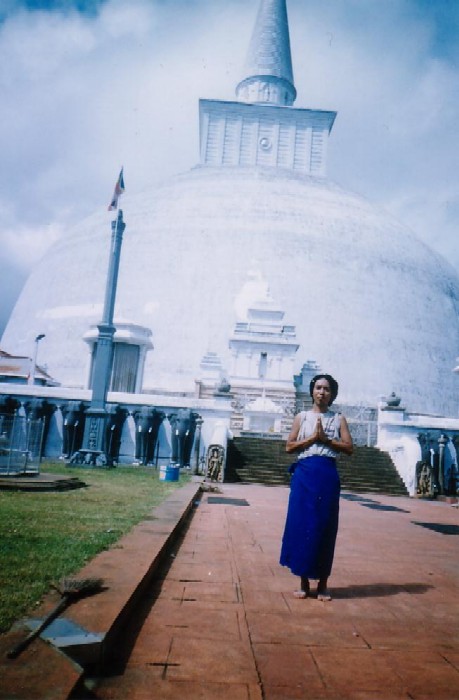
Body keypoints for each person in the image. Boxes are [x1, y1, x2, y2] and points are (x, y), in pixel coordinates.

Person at [280, 374, 353, 601]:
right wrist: (312, 439)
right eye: (318, 388)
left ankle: (322, 583)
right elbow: (289, 446)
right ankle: (303, 581)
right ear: (312, 391)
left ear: (332, 394)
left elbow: (349, 448)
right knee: (302, 526)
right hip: (304, 474)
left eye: (327, 389)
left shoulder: (338, 419)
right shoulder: (301, 417)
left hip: (326, 475)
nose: (322, 392)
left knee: (324, 526)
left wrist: (327, 441)